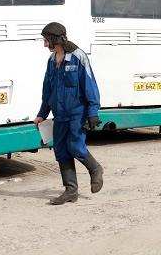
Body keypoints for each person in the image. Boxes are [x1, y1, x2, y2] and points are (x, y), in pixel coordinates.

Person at [34, 22, 104, 205]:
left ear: (54, 39)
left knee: (75, 146)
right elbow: (47, 90)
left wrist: (92, 112)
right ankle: (70, 191)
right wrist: (42, 113)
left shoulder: (78, 57)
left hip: (76, 114)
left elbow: (90, 85)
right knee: (61, 151)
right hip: (60, 115)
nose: (44, 43)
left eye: (45, 39)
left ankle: (95, 169)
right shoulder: (51, 60)